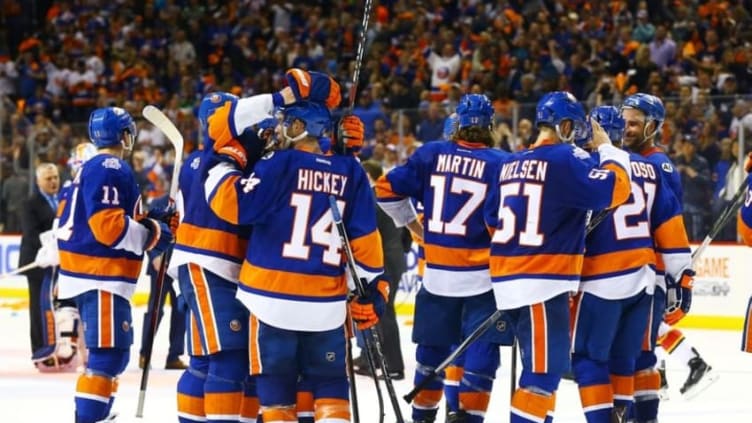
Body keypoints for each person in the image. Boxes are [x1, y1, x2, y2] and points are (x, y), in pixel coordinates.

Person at [204, 87, 386, 423]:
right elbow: (365, 244)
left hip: (270, 299)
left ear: (301, 127)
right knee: (331, 384)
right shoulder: (352, 170)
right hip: (326, 306)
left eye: (287, 122)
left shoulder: (280, 162)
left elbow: (234, 205)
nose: (280, 128)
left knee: (276, 393)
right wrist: (372, 289)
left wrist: (222, 163)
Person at [483, 91, 632, 423]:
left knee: (540, 376)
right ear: (565, 125)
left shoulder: (509, 163)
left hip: (508, 279)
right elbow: (616, 189)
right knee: (542, 379)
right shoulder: (565, 158)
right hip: (542, 283)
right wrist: (608, 147)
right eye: (575, 129)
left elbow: (491, 219)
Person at [376, 94, 515, 422]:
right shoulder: (503, 163)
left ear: (457, 124)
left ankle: (423, 418)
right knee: (480, 362)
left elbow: (384, 189)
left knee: (430, 359)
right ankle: (466, 418)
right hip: (484, 281)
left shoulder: (431, 154)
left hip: (437, 278)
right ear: (490, 126)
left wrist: (414, 227)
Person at [572, 105, 691, 422]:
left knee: (588, 357)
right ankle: (626, 416)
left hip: (601, 279)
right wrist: (683, 275)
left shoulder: (585, 166)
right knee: (627, 358)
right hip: (642, 279)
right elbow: (670, 225)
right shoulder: (648, 168)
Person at [56, 107, 174, 423]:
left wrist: (151, 222)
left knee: (114, 356)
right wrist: (153, 234)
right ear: (123, 135)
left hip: (88, 275)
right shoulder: (111, 166)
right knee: (107, 357)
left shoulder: (87, 169)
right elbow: (108, 227)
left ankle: (98, 415)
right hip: (101, 276)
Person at [168, 91, 268, 423]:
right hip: (211, 265)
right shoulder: (218, 158)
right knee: (230, 359)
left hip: (211, 266)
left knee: (205, 360)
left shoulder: (200, 159)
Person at [620, 93, 715, 410]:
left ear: (653, 126)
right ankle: (663, 375)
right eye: (624, 122)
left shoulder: (659, 165)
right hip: (633, 268)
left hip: (650, 270)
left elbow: (668, 224)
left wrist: (678, 274)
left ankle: (673, 372)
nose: (626, 128)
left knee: (642, 339)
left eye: (634, 122)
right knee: (643, 338)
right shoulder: (629, 161)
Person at [32, 143, 98, 372]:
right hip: (92, 262)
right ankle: (87, 356)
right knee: (81, 310)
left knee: (75, 309)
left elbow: (62, 228)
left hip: (79, 261)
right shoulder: (85, 189)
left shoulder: (72, 190)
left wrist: (52, 252)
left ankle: (83, 355)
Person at [356, 159, 408, 381]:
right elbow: (407, 229)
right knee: (379, 311)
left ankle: (393, 365)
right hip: (394, 258)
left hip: (384, 260)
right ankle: (371, 358)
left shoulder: (373, 198)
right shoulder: (389, 196)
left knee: (383, 312)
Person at [138, 190, 188, 371]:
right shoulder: (160, 202)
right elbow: (149, 230)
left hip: (181, 264)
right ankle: (145, 354)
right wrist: (154, 255)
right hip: (161, 264)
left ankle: (174, 355)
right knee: (155, 310)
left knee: (180, 310)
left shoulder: (193, 201)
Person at [18, 162, 60, 365]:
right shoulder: (29, 204)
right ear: (38, 181)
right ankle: (40, 351)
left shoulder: (62, 201)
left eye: (55, 178)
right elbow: (31, 234)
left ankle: (57, 347)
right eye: (48, 179)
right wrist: (52, 246)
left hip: (56, 263)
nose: (53, 182)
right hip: (37, 264)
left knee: (55, 307)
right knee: (38, 307)